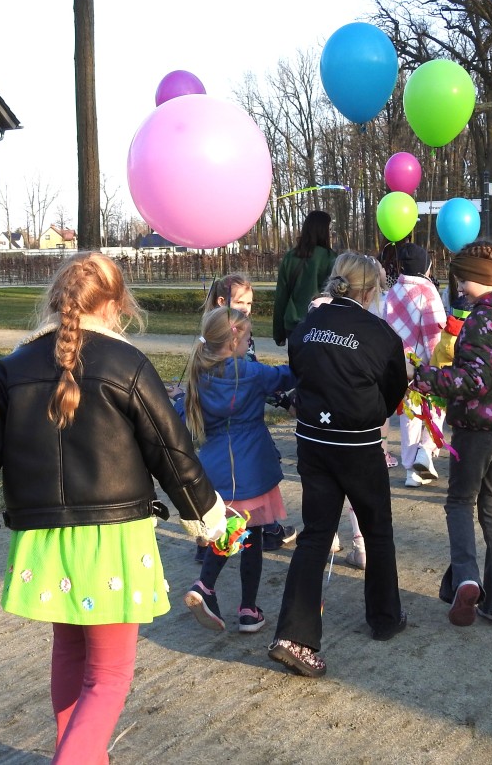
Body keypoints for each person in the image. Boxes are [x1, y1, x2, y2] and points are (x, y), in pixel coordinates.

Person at [0, 252, 226, 764]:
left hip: (45, 540)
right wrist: (208, 515)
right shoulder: (128, 364)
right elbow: (172, 451)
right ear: (116, 305)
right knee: (110, 674)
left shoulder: (11, 369)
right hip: (114, 539)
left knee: (70, 654)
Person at [268, 252, 410, 677]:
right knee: (376, 529)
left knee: (315, 535)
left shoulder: (307, 326)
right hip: (357, 444)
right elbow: (394, 390)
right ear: (371, 290)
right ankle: (384, 618)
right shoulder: (380, 334)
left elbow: (299, 371)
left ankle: (293, 635)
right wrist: (368, 414)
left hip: (313, 441)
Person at [410, 241, 492, 630]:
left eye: (462, 280)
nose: (460, 288)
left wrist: (422, 376)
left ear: (476, 277)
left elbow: (472, 380)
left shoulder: (484, 318)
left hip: (480, 427)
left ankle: (466, 580)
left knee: (460, 501)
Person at [182, 305, 297, 633]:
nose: (250, 343)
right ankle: (226, 597)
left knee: (232, 531)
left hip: (216, 466)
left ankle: (230, 599)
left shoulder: (200, 374)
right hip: (251, 467)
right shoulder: (250, 373)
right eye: (248, 337)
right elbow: (286, 376)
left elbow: (180, 412)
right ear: (233, 341)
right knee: (249, 538)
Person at [203, 273, 297, 554]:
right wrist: (285, 400)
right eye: (240, 302)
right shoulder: (230, 337)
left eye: (249, 303)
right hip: (243, 422)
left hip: (224, 428)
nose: (246, 308)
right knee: (256, 473)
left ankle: (215, 540)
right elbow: (259, 378)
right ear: (222, 301)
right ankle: (266, 528)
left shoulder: (220, 334)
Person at [383, 242, 448, 489]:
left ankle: (411, 470)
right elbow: (435, 331)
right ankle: (426, 451)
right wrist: (438, 364)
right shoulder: (427, 291)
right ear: (425, 267)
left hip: (400, 365)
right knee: (437, 408)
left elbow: (386, 327)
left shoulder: (393, 292)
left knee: (409, 416)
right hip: (424, 365)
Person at [273, 210, 337, 347]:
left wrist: (278, 333)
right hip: (321, 325)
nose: (331, 234)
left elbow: (281, 297)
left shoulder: (290, 257)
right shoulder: (331, 258)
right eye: (329, 229)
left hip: (293, 325)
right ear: (323, 230)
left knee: (295, 361)